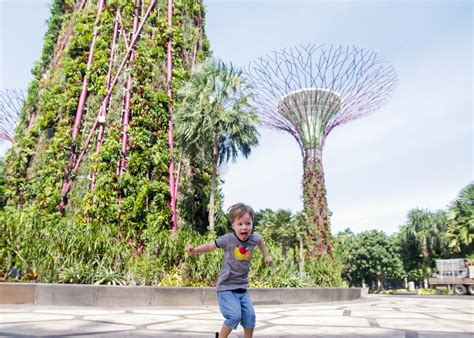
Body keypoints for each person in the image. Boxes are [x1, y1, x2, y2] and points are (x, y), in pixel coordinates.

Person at [185, 203, 273, 338]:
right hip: (226, 287)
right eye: (240, 224)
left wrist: (266, 255)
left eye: (248, 223)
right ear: (233, 226)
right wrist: (195, 250)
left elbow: (259, 241)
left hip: (242, 288)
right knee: (235, 316)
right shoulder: (228, 239)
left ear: (252, 225)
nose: (244, 227)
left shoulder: (253, 238)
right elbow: (210, 246)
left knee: (250, 316)